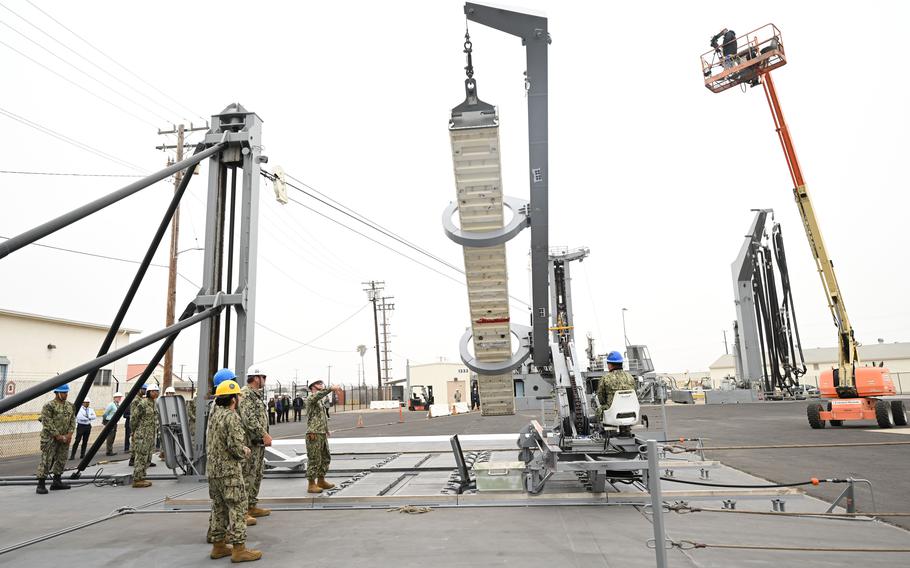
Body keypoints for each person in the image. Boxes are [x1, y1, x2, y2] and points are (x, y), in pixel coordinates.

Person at [206, 379, 262, 562]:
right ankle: (239, 549)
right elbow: (236, 448)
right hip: (229, 472)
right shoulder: (232, 417)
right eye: (238, 395)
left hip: (213, 472)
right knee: (237, 508)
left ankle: (218, 546)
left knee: (218, 508)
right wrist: (245, 450)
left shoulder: (214, 415)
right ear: (233, 399)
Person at [239, 368, 273, 524]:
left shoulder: (256, 395)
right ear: (256, 378)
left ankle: (251, 505)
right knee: (247, 476)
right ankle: (242, 511)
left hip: (258, 444)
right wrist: (263, 433)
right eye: (263, 377)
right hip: (249, 443)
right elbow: (249, 419)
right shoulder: (245, 394)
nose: (264, 380)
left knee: (257, 474)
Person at [36, 384, 75, 494]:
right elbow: (47, 422)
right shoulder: (49, 406)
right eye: (64, 393)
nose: (66, 394)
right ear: (57, 393)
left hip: (65, 438)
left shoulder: (70, 406)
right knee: (46, 460)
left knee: (62, 459)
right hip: (50, 439)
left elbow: (73, 421)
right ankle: (41, 484)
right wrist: (57, 436)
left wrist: (69, 435)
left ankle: (57, 481)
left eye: (67, 392)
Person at [305, 379, 341, 493]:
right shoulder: (311, 397)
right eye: (319, 384)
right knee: (314, 459)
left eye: (322, 383)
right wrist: (330, 389)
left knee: (325, 457)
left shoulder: (319, 400)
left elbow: (322, 416)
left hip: (321, 432)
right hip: (314, 433)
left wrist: (326, 429)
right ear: (313, 386)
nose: (321, 385)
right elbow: (319, 395)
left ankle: (321, 480)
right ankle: (311, 484)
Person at [130, 383, 159, 488]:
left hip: (150, 435)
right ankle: (137, 479)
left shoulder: (154, 403)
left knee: (147, 457)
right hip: (142, 434)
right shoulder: (143, 403)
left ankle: (142, 476)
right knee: (141, 456)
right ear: (149, 392)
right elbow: (134, 418)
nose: (156, 393)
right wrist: (133, 431)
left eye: (157, 391)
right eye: (154, 391)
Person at [596, 351, 637, 419]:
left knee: (598, 411)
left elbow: (601, 398)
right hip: (631, 411)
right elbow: (635, 393)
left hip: (612, 413)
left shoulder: (605, 378)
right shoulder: (630, 377)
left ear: (610, 365)